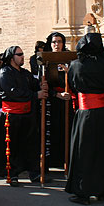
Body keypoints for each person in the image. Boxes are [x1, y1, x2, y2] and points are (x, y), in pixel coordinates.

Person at [65, 33, 104, 205]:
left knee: (83, 152)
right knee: (103, 150)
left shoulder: (76, 65)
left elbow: (73, 85)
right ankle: (102, 189)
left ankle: (83, 192)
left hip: (86, 113)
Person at [0, 46, 47, 186]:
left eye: (23, 54)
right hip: (12, 116)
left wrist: (41, 85)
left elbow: (34, 84)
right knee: (13, 147)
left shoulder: (25, 73)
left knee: (30, 145)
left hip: (27, 114)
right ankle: (12, 174)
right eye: (19, 54)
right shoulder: (5, 73)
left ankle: (34, 172)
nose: (22, 56)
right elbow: (14, 92)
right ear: (12, 57)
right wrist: (36, 95)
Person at [43, 32, 72, 170]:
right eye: (54, 42)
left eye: (59, 42)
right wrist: (56, 94)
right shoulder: (46, 60)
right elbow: (42, 82)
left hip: (67, 99)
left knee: (66, 130)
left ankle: (66, 159)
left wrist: (69, 72)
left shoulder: (69, 58)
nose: (57, 44)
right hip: (52, 99)